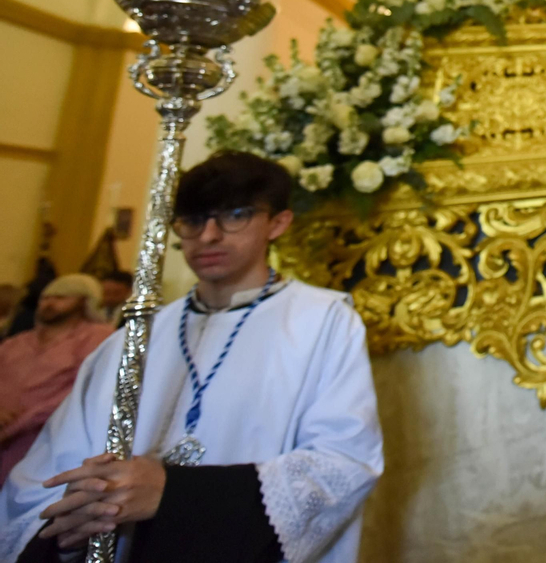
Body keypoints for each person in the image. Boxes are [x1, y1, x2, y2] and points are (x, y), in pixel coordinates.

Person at [1, 151, 384, 562]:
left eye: (235, 215)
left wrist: (174, 494)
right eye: (193, 220)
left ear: (278, 223)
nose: (209, 236)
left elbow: (343, 463)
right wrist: (78, 516)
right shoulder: (133, 338)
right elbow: (44, 472)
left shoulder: (323, 322)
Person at [0, 275, 114, 484]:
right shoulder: (17, 342)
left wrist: (17, 425)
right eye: (45, 298)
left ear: (83, 301)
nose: (49, 304)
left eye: (61, 298)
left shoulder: (98, 337)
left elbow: (82, 390)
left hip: (45, 440)